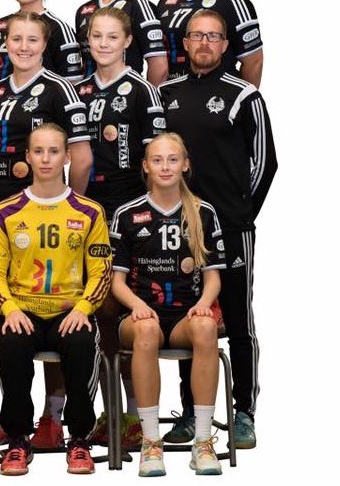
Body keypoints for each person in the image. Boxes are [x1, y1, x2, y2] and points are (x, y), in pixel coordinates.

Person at [0, 11, 93, 449]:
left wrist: (66, 208)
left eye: (32, 40)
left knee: (61, 313)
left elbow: (81, 157)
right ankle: (14, 423)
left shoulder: (60, 89)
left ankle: (53, 417)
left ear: (45, 45)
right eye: (16, 40)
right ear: (5, 45)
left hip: (56, 219)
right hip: (6, 218)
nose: (23, 47)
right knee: (15, 322)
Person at [159, 9, 277, 450]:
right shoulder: (166, 93)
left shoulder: (243, 95)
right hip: (181, 227)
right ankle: (191, 412)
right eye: (197, 35)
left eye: (213, 36)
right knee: (190, 314)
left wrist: (241, 214)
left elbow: (265, 162)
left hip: (230, 226)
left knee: (238, 317)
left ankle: (244, 411)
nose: (205, 43)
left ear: (226, 45)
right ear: (185, 43)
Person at [0, 123, 112, 476]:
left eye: (54, 151)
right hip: (22, 310)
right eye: (38, 151)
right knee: (11, 344)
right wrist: (8, 308)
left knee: (82, 342)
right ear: (27, 156)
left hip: (69, 311)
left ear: (67, 157)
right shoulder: (5, 212)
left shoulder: (89, 211)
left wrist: (84, 308)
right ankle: (17, 440)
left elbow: (101, 271)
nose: (45, 159)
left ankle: (79, 439)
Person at [110, 132, 226, 476]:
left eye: (173, 160)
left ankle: (202, 442)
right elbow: (116, 283)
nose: (165, 167)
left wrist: (204, 304)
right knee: (146, 330)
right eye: (157, 160)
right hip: (140, 316)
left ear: (185, 165)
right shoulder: (127, 213)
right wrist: (136, 305)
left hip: (184, 316)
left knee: (206, 327)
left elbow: (213, 278)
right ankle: (150, 442)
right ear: (145, 166)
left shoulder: (204, 212)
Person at [74, 6, 165, 447]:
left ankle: (132, 414)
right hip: (88, 211)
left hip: (129, 211)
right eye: (97, 36)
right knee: (94, 310)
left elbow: (156, 162)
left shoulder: (143, 91)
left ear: (128, 41)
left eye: (113, 36)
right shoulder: (79, 90)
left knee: (124, 305)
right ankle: (104, 411)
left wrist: (142, 217)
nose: (104, 44)